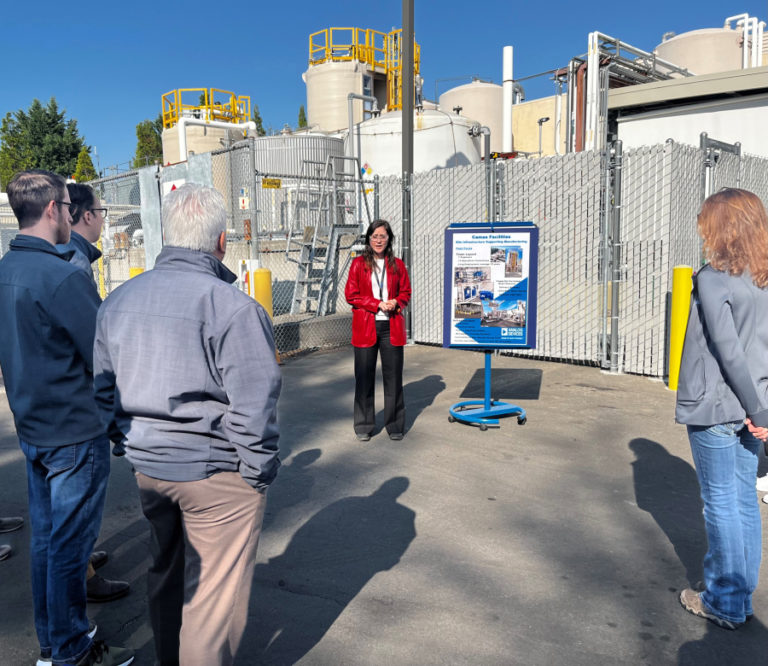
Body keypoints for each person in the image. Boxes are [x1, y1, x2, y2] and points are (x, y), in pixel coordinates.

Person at [93, 183, 281, 666]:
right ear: (221, 242)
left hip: (149, 468)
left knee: (167, 571)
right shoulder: (234, 307)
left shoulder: (117, 301)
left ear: (168, 235)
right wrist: (256, 471)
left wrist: (127, 444)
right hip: (216, 474)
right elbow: (254, 404)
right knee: (211, 605)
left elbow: (103, 390)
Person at [0, 170, 133, 666]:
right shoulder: (63, 276)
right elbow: (103, 359)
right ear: (55, 209)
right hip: (74, 434)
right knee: (68, 551)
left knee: (48, 544)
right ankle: (72, 650)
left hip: (33, 429)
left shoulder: (5, 269)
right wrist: (120, 426)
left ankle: (53, 645)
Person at [675, 187, 768, 630]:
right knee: (744, 501)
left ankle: (724, 602)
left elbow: (728, 352)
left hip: (718, 407)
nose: (702, 228)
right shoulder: (764, 277)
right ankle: (739, 597)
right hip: (757, 408)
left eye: (707, 220)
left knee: (721, 504)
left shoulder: (712, 279)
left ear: (724, 228)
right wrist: (763, 409)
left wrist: (756, 408)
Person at [56, 182, 130, 605]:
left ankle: (83, 558)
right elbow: (90, 342)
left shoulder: (73, 259)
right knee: (82, 493)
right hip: (78, 404)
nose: (104, 218)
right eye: (101, 211)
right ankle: (79, 573)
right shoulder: (72, 263)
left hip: (69, 402)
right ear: (85, 215)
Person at [344, 220, 411, 441]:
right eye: (374, 236)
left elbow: (406, 293)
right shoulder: (358, 264)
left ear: (389, 238)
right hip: (366, 326)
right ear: (368, 239)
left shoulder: (398, 265)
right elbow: (351, 295)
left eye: (383, 236)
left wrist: (395, 303)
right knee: (364, 377)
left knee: (393, 378)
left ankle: (394, 425)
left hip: (390, 327)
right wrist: (376, 304)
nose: (379, 240)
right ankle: (363, 425)